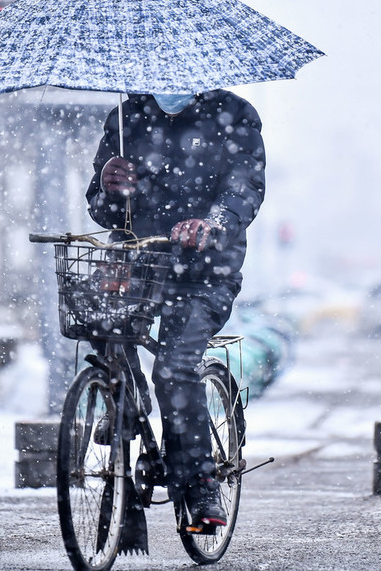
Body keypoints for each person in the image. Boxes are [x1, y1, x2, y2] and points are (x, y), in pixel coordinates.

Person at [86, 90, 265, 529]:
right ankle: (129, 401)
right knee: (92, 312)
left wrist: (214, 221)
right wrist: (109, 185)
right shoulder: (126, 118)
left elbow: (245, 188)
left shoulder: (235, 115)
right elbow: (102, 209)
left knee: (175, 368)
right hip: (139, 262)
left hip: (205, 273)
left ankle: (201, 484)